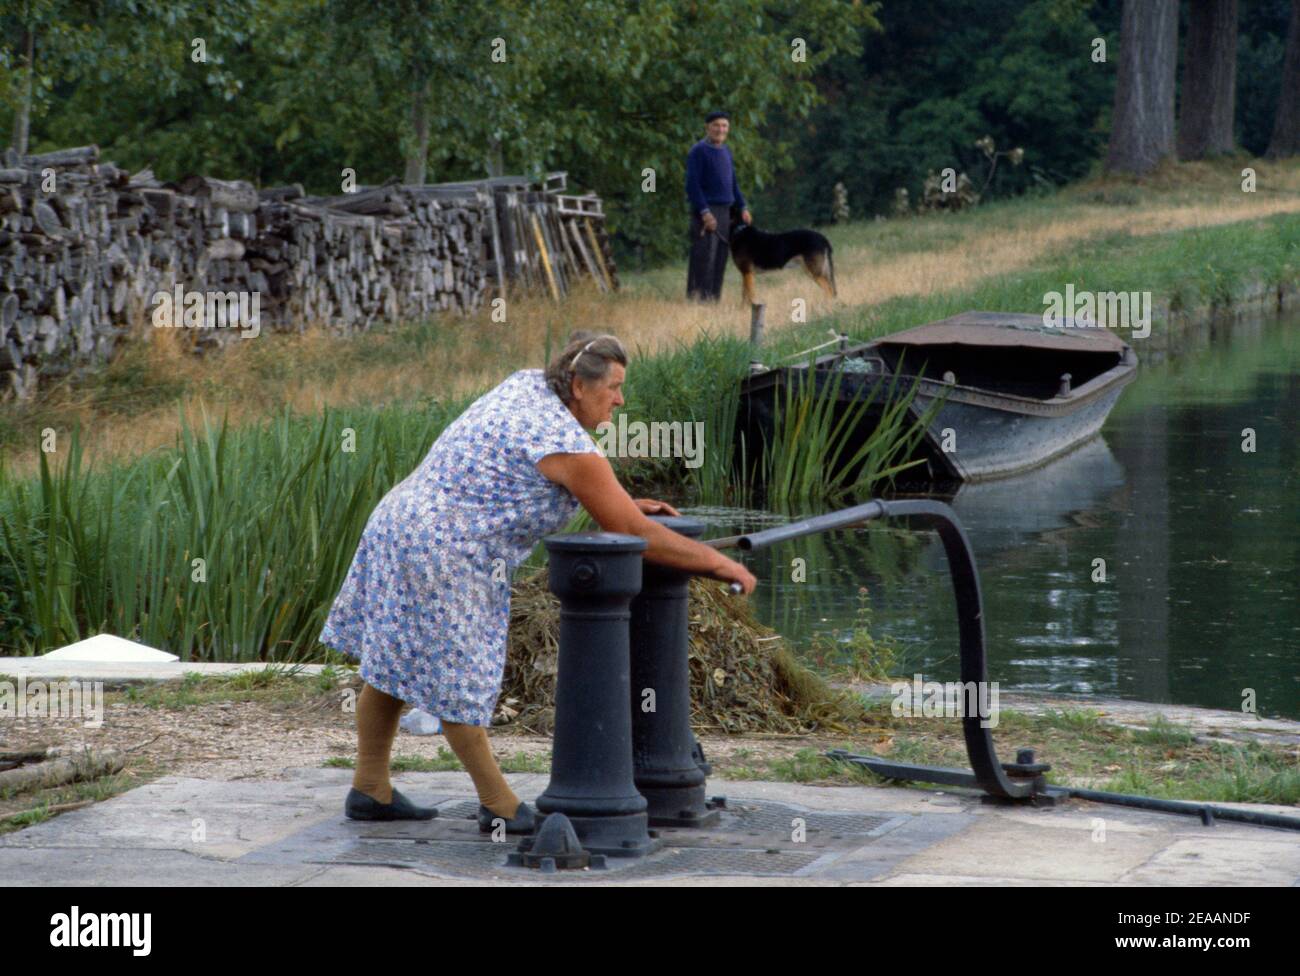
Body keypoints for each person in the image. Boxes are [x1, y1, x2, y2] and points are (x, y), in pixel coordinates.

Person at [320, 331, 757, 830]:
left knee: (391, 663)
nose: (620, 399)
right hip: (446, 552)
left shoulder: (526, 387)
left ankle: (370, 788)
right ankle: (499, 805)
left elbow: (530, 477)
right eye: (612, 387)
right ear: (576, 383)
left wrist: (615, 502)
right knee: (461, 680)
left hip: (400, 525)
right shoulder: (567, 444)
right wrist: (720, 564)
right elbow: (633, 533)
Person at [686, 110, 752, 301]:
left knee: (720, 258)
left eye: (724, 126)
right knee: (704, 257)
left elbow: (732, 183)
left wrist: (743, 207)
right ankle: (698, 301)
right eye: (716, 125)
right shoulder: (698, 151)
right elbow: (693, 186)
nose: (720, 129)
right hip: (706, 212)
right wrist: (705, 213)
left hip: (726, 212)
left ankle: (713, 300)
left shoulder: (725, 151)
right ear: (707, 127)